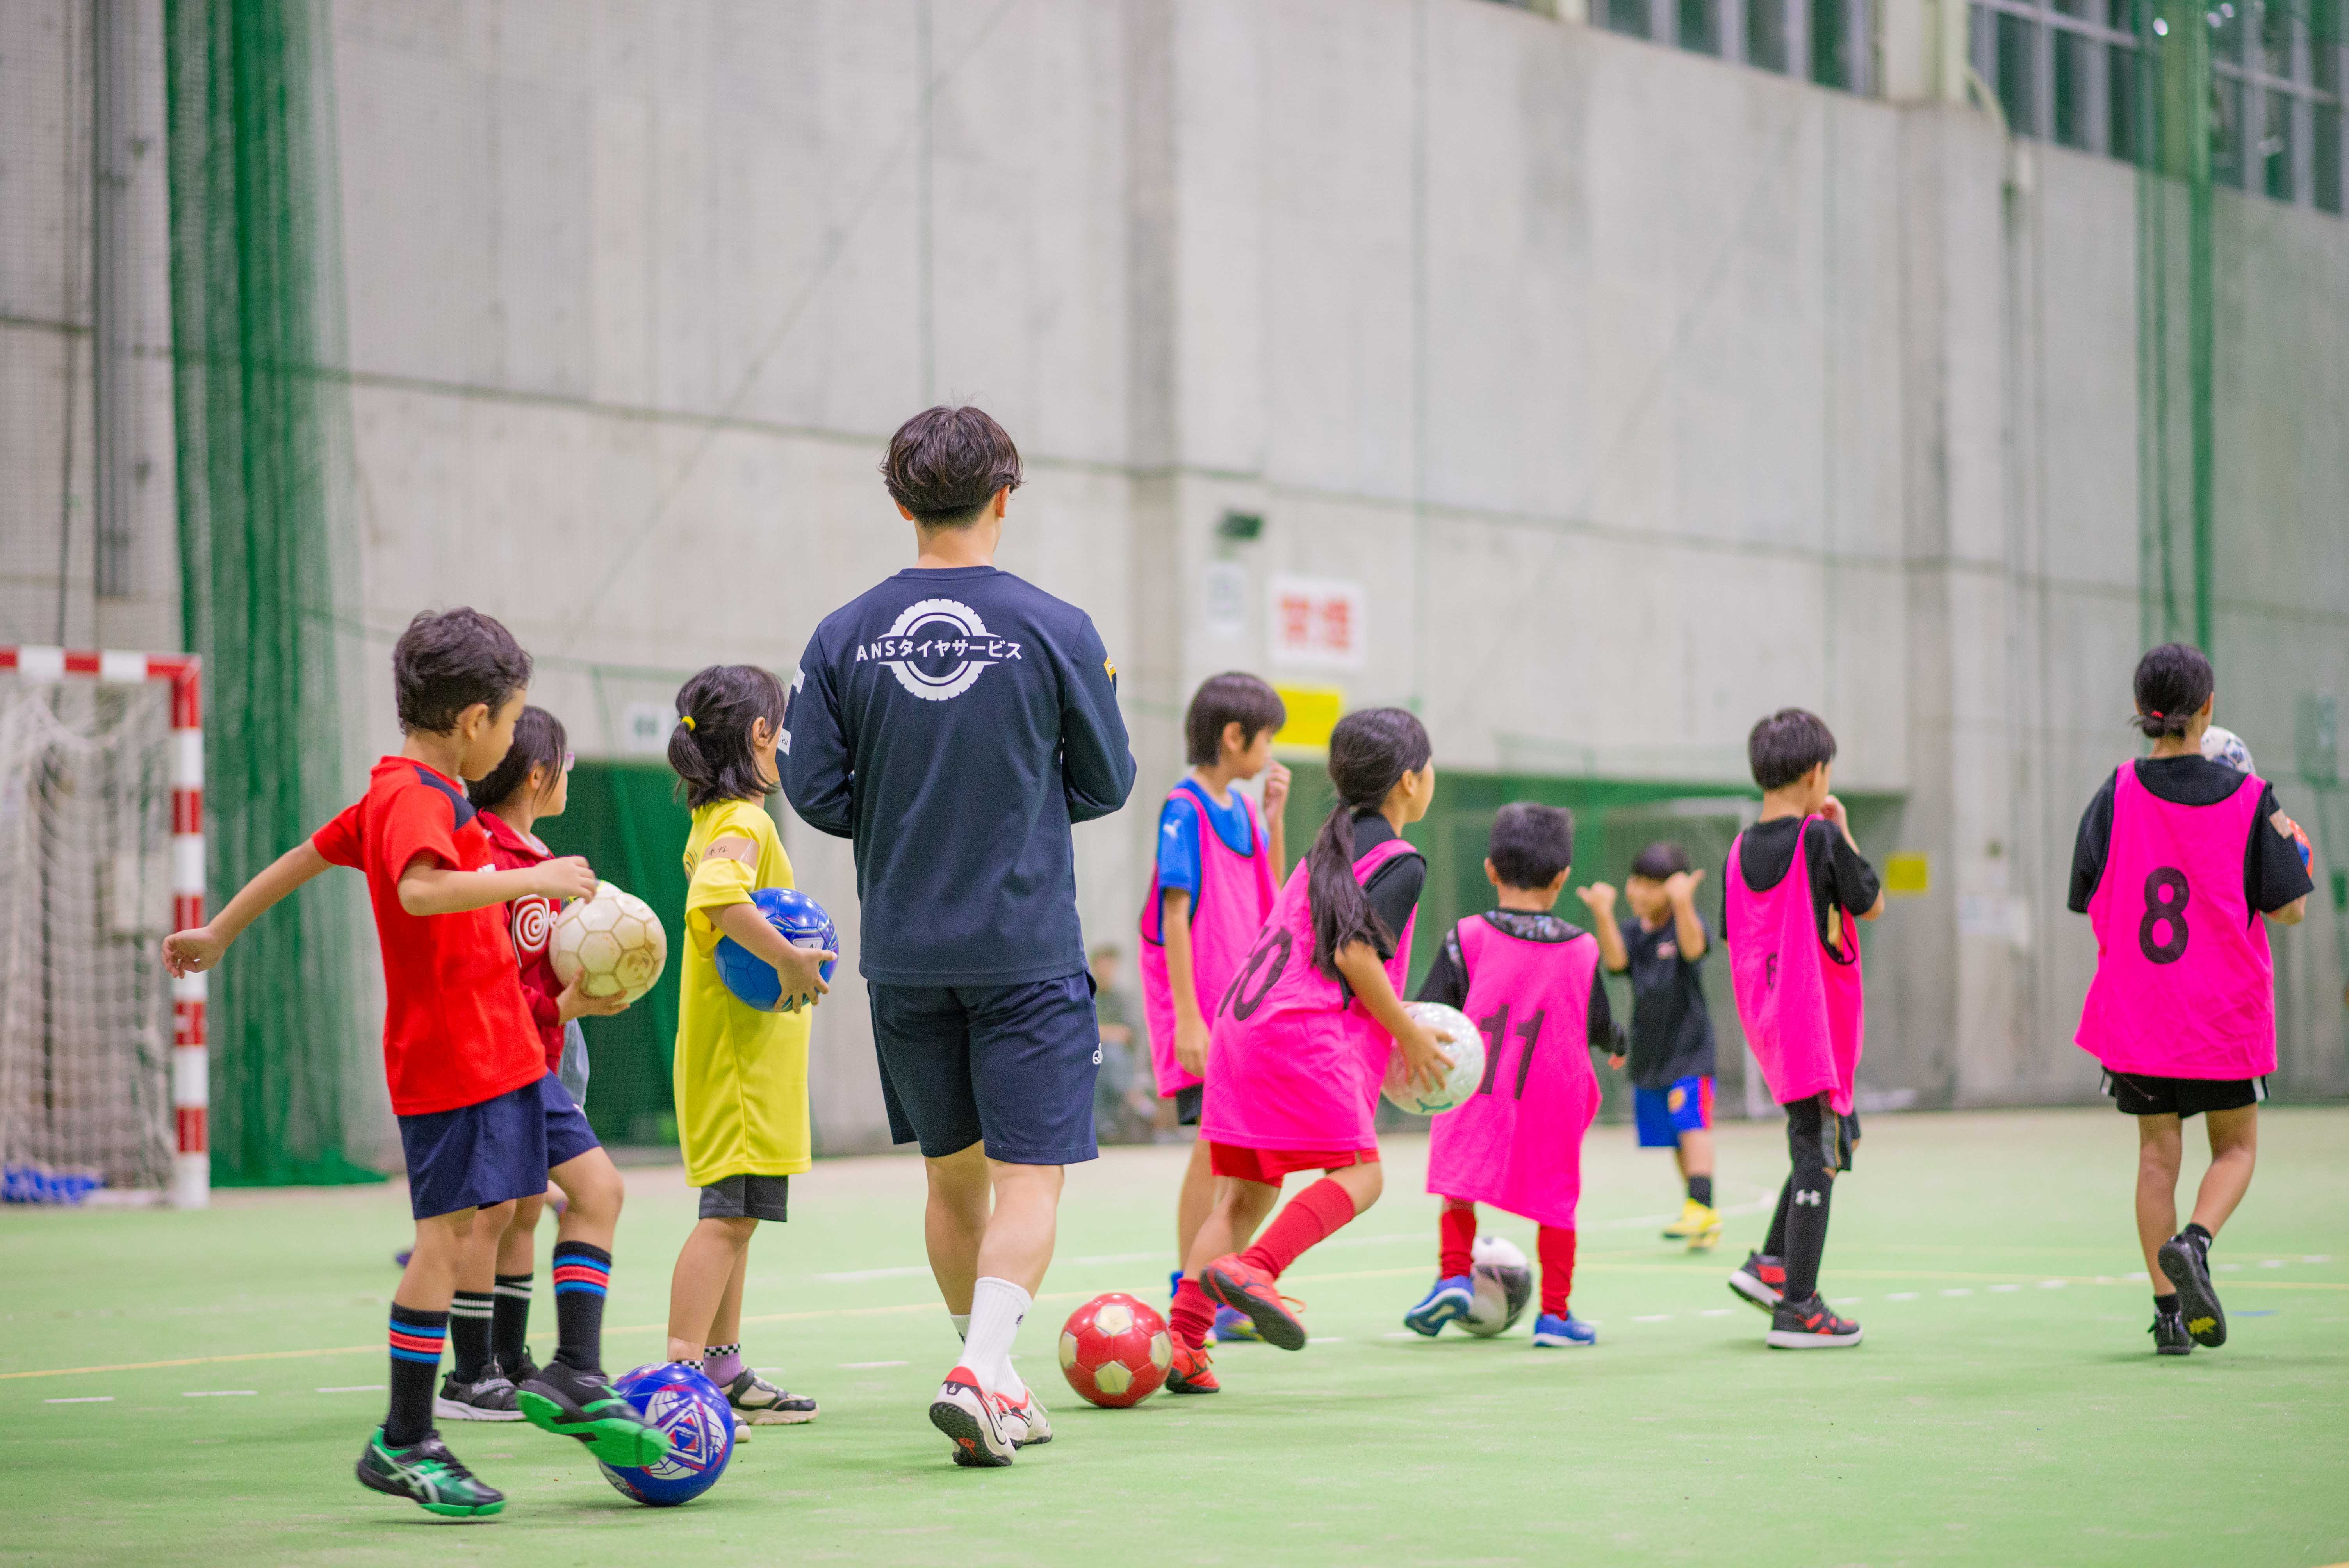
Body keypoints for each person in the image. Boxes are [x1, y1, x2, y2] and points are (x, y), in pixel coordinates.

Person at [160, 608, 665, 1518]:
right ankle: (404, 1435)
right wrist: (531, 879)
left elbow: (302, 857)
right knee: (448, 1241)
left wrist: (219, 930)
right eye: (511, 721)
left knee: (597, 1189)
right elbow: (418, 889)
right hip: (448, 1063)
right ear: (474, 719)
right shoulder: (411, 801)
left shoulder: (418, 793)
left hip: (510, 1049)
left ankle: (576, 1371)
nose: (513, 739)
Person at [782, 405, 1136, 1468]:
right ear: (1005, 496)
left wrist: (906, 818)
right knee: (1032, 1180)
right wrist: (1018, 801)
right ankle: (984, 1368)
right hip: (1024, 949)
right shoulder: (1058, 629)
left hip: (903, 953)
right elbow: (1108, 780)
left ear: (900, 503)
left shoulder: (840, 637)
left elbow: (816, 792)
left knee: (951, 1177)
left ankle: (989, 1370)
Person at [1166, 708, 1455, 1395]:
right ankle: (1257, 1267)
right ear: (1411, 782)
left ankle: (1180, 1342)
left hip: (1243, 1024)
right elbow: (1354, 953)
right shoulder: (1401, 861)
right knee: (1364, 1176)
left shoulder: (1329, 842)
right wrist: (1409, 1034)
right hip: (1297, 1032)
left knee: (1241, 1197)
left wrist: (1392, 1020)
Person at [2069, 643, 2310, 1356]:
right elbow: (2289, 911)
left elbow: (2088, 896)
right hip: (2221, 1014)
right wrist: (2290, 845)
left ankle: (2169, 1314)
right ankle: (2197, 1242)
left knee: (2154, 1161)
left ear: (2145, 713)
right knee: (2234, 1148)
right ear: (2208, 707)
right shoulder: (2249, 797)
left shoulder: (2115, 792)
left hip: (2140, 1013)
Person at [439, 705, 632, 1420]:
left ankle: (513, 1360)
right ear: (539, 774)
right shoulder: (496, 863)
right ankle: (468, 1375)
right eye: (568, 768)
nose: (571, 780)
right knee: (491, 1214)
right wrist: (564, 1008)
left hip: (535, 1063)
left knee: (522, 1207)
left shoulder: (532, 859)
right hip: (497, 1065)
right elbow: (493, 986)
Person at [664, 665, 837, 1426]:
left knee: (741, 1216)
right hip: (735, 1064)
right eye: (782, 728)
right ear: (761, 736)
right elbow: (720, 898)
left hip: (752, 1060)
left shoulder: (719, 818)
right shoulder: (744, 821)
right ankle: (676, 1377)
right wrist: (791, 959)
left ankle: (722, 1369)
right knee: (726, 1216)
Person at [1407, 803, 1620, 1348]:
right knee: (1557, 1202)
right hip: (1553, 1094)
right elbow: (1599, 1022)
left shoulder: (1467, 937)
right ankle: (1555, 1314)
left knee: (1460, 1183)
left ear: (1491, 871)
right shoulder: (1584, 947)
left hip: (1479, 1088)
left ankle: (1454, 1275)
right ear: (1563, 878)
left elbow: (1434, 1010)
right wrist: (1617, 1041)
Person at [1719, 707, 1883, 1350]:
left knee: (1834, 1140)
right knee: (1817, 1148)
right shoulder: (1816, 839)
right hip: (1809, 1021)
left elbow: (1737, 934)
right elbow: (1868, 899)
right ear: (1817, 773)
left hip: (1767, 1020)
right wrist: (1841, 832)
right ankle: (1799, 1307)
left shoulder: (1737, 850)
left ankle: (1772, 1264)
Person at [1138, 672, 1290, 1336]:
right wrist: (1189, 1020)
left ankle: (1218, 1281)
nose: (1270, 751)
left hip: (1242, 1011)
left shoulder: (1243, 811)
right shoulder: (1185, 807)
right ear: (1234, 738)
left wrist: (1277, 820)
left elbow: (1274, 895)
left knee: (1234, 1149)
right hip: (1203, 1013)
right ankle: (1190, 1288)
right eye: (1267, 739)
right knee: (1211, 1147)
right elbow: (1175, 914)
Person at [1579, 842, 1723, 1251]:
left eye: (1652, 884)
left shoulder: (1684, 924)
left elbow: (1695, 949)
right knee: (1677, 1135)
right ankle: (1699, 1211)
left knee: (1692, 1122)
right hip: (1651, 1050)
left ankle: (1702, 1205)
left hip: (1691, 1050)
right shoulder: (1633, 932)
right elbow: (1615, 962)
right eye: (1636, 881)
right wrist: (1603, 913)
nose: (1640, 892)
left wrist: (1682, 903)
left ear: (1674, 887)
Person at [1089, 946, 1156, 1145]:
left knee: (1109, 1055)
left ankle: (1115, 1111)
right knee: (1099, 1059)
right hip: (1093, 1057)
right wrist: (1107, 1034)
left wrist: (1101, 1033)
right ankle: (1132, 1096)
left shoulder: (1123, 999)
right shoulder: (1088, 998)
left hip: (1121, 1059)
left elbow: (1128, 1035)